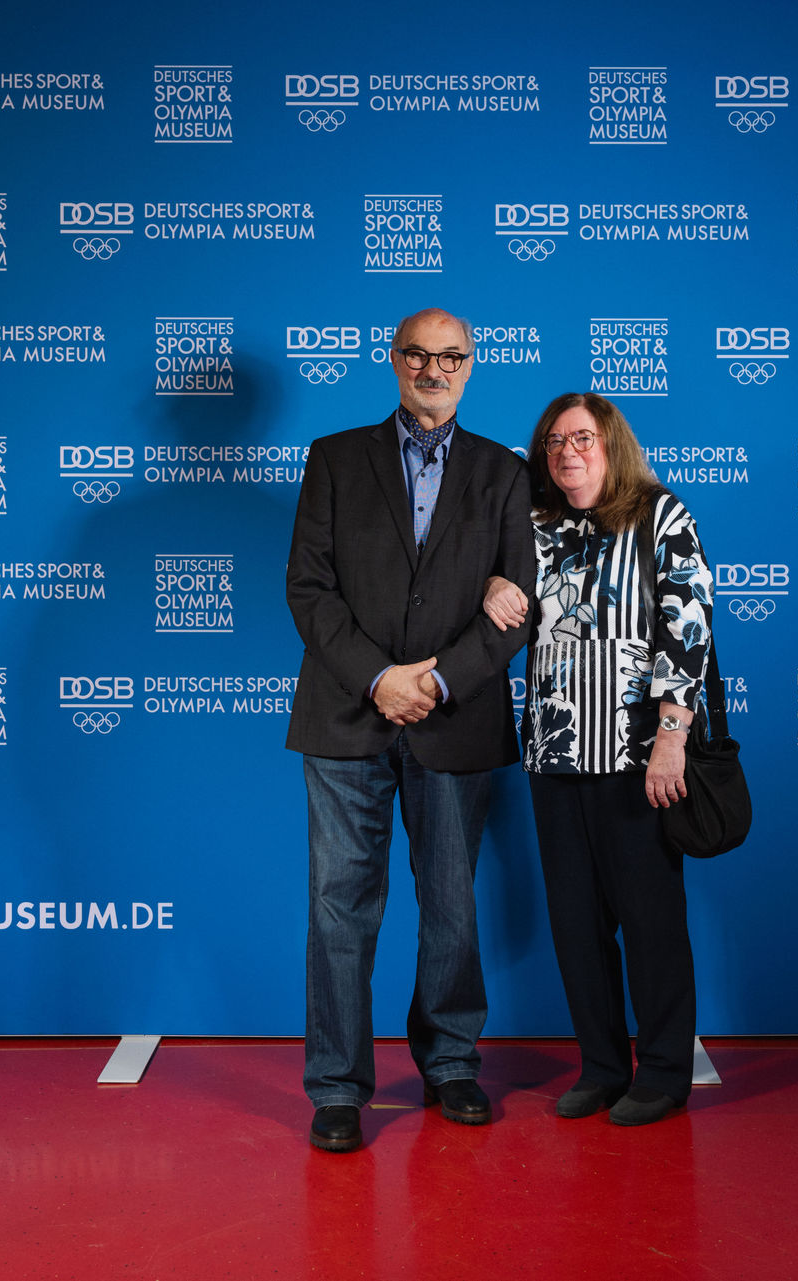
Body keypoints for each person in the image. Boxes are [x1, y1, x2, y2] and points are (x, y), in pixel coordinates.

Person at [285, 307, 536, 1153]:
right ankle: (337, 1085)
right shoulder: (333, 458)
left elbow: (515, 607)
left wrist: (432, 680)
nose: (434, 370)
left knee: (453, 906)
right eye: (418, 355)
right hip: (346, 715)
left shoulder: (505, 472)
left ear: (472, 363)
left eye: (451, 356)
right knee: (339, 909)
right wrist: (380, 678)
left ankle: (452, 1063)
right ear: (393, 360)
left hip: (455, 717)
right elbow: (309, 588)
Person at [482, 392, 714, 1126]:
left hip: (636, 756)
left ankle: (666, 1070)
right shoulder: (536, 526)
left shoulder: (660, 515)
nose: (567, 452)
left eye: (582, 438)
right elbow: (502, 598)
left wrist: (671, 738)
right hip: (554, 753)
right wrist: (493, 583)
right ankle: (604, 1066)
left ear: (611, 443)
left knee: (650, 919)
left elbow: (688, 628)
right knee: (576, 924)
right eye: (554, 442)